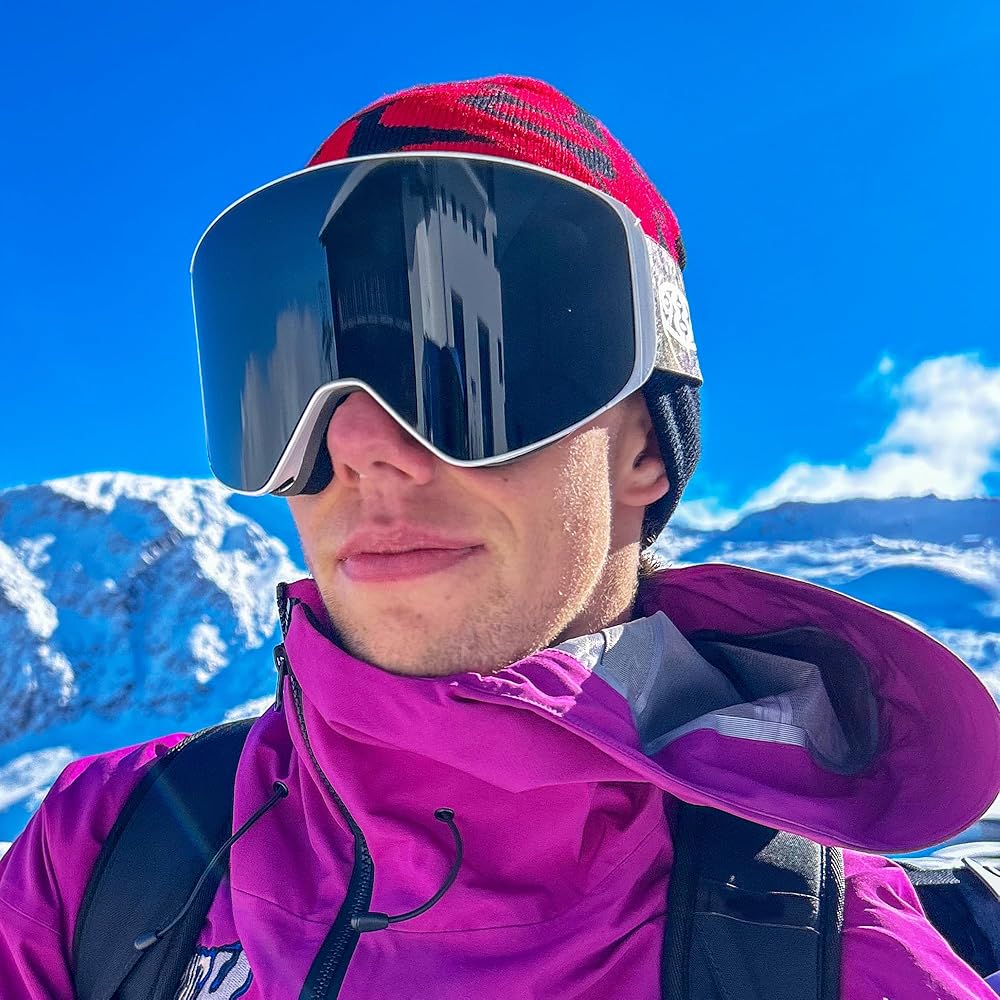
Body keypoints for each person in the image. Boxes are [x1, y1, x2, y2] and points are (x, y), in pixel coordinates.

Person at [1, 74, 998, 1000]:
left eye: (463, 365)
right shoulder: (104, 857)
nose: (357, 442)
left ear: (644, 448)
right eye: (299, 376)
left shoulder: (839, 962)